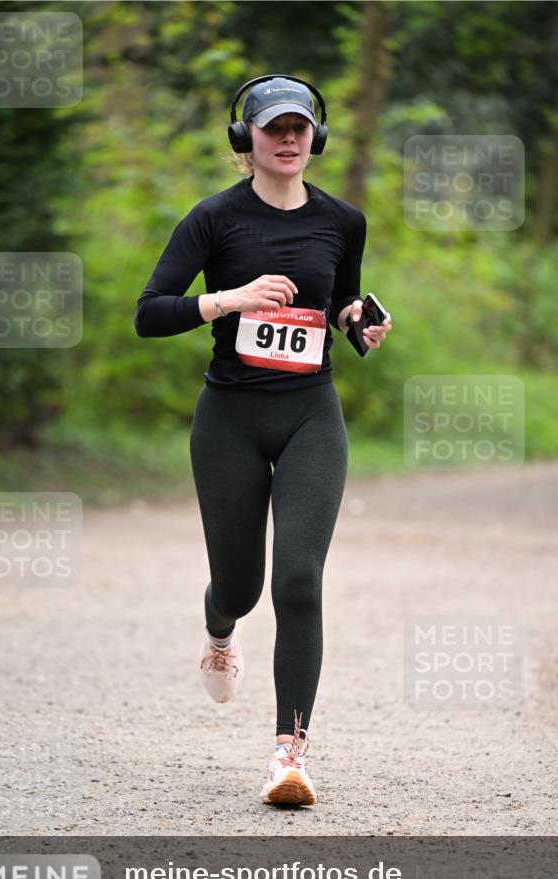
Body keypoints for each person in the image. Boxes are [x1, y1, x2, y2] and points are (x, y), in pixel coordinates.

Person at [135, 75, 392, 807]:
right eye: (272, 127)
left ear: (317, 137)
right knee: (243, 587)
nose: (287, 139)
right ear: (243, 138)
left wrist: (357, 322)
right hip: (230, 421)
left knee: (299, 580)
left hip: (311, 412)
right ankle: (219, 628)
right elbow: (149, 314)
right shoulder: (212, 219)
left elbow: (339, 296)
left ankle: (290, 754)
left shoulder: (343, 220)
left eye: (299, 127)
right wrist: (229, 299)